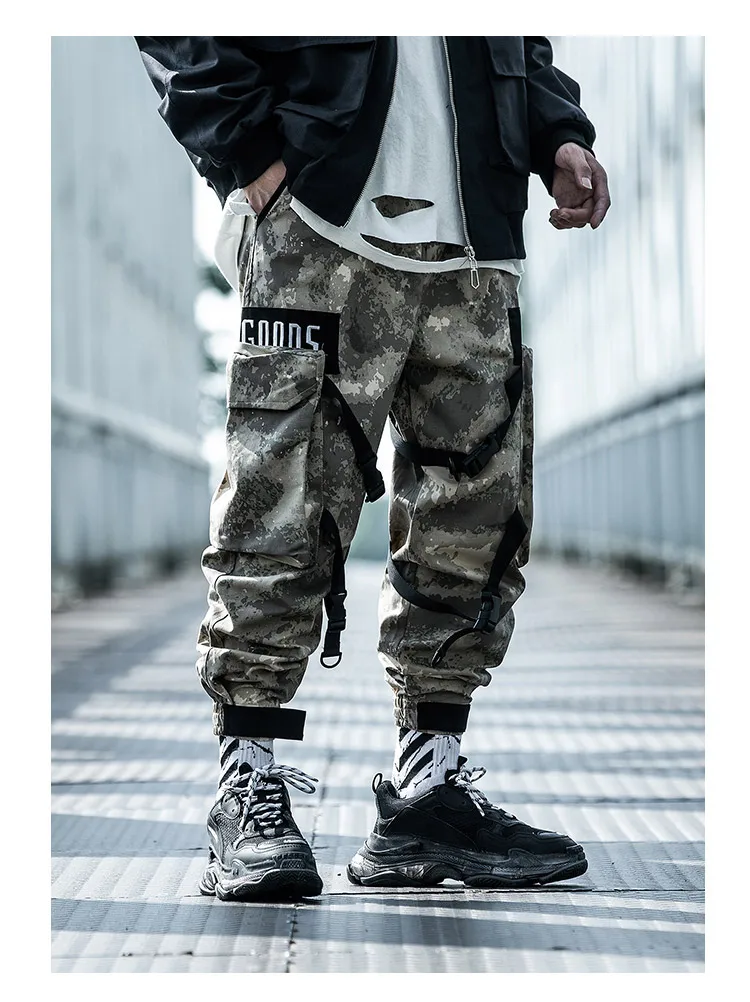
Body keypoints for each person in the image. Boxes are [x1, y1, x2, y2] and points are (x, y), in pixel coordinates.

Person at [136, 35, 610, 901]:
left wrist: (558, 134)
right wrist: (249, 154)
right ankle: (248, 786)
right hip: (320, 219)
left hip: (475, 232)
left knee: (474, 522)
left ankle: (427, 794)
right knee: (281, 505)